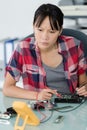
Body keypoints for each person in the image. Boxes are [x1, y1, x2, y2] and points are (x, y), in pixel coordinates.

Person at [3, 3, 87, 101]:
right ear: (33, 27)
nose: (44, 37)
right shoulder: (23, 48)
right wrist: (37, 96)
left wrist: (85, 88)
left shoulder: (74, 45)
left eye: (52, 32)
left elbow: (83, 83)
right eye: (40, 30)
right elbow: (7, 88)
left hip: (71, 106)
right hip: (40, 107)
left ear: (60, 31)